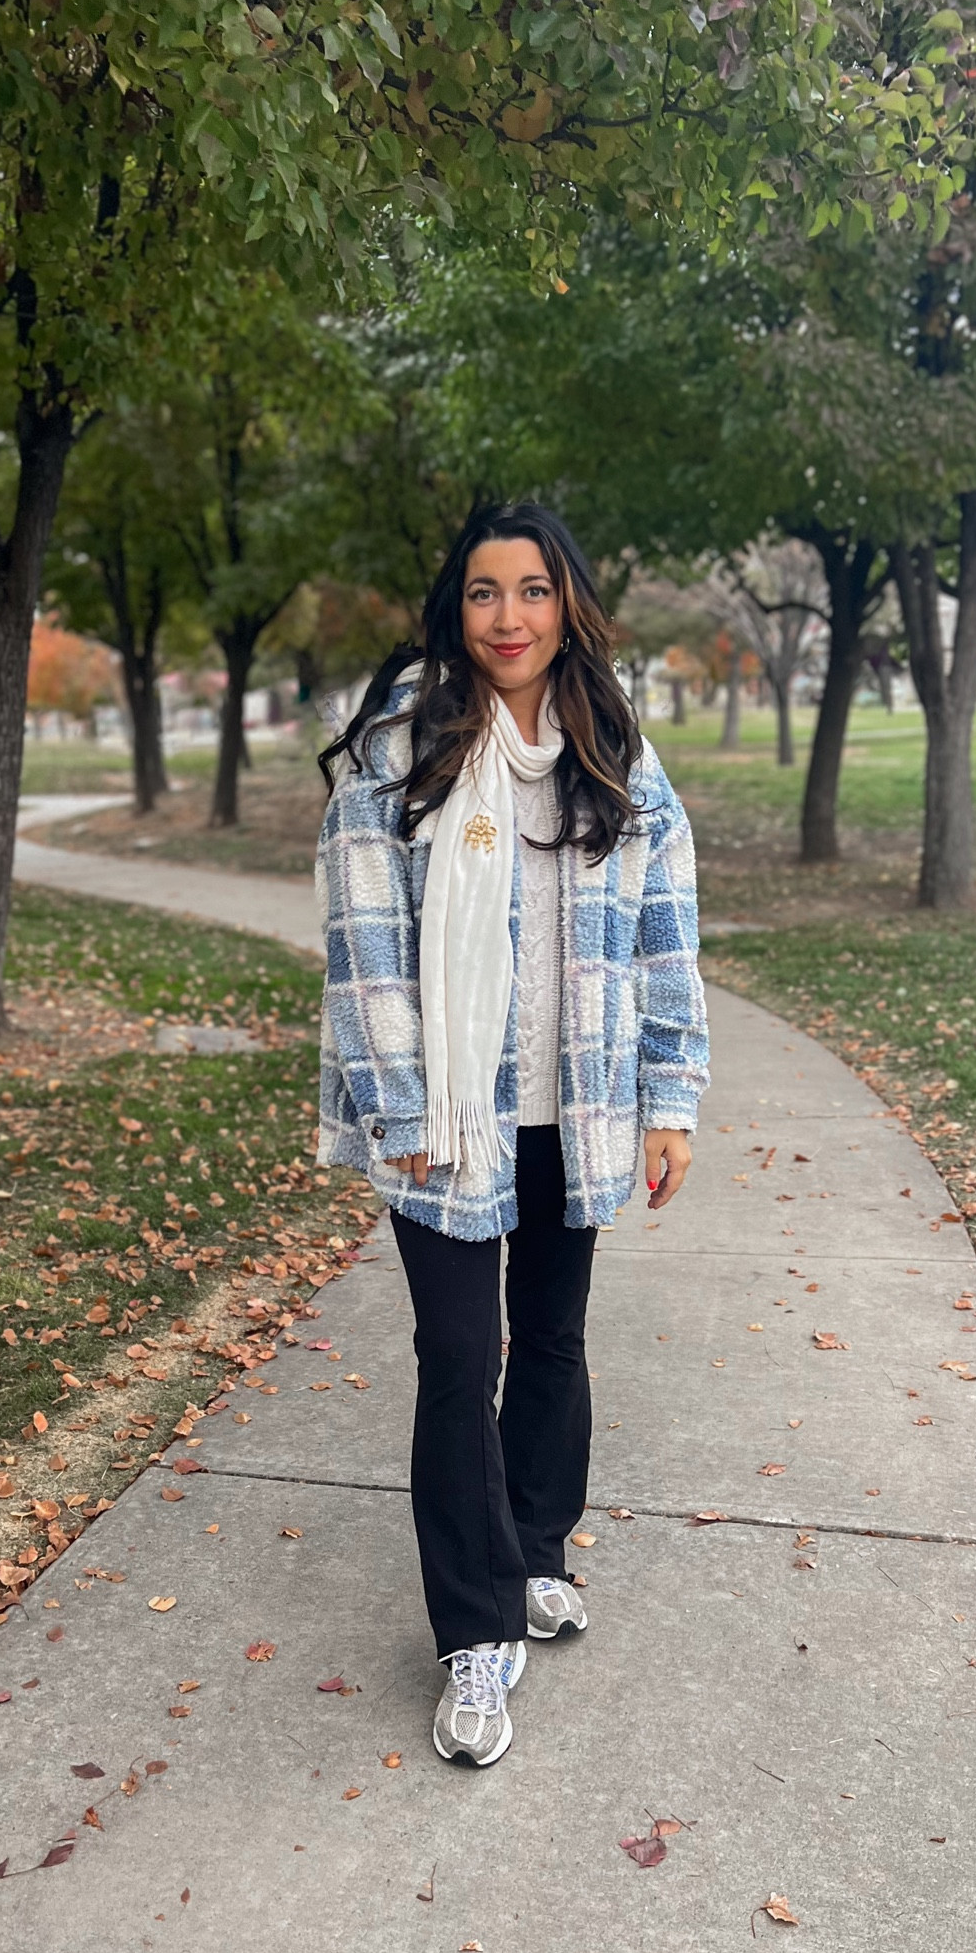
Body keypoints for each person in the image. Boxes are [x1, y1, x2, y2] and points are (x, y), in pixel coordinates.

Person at [316, 502, 709, 1767]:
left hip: (577, 1105)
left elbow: (663, 929)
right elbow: (365, 949)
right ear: (454, 609)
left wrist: (670, 1095)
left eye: (531, 590)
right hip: (446, 1117)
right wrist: (400, 1107)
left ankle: (535, 1548)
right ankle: (473, 1632)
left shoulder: (615, 754)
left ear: (566, 605)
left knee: (549, 1338)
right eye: (482, 593)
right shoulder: (397, 754)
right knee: (455, 1356)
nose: (507, 617)